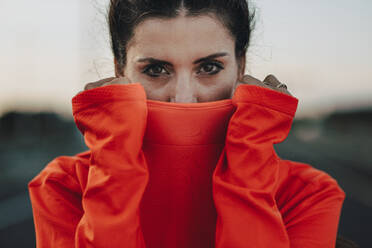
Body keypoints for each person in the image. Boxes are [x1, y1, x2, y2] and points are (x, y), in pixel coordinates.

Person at [28, 0, 346, 247]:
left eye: (209, 67)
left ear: (241, 67)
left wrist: (249, 160)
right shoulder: (63, 186)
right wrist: (114, 165)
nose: (183, 99)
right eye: (155, 69)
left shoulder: (307, 195)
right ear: (119, 70)